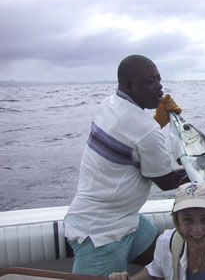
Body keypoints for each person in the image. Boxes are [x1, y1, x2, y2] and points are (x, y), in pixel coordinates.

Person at [64, 55, 190, 277]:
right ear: (128, 85)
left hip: (127, 220)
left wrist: (157, 122)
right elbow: (166, 181)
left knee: (172, 264)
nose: (159, 86)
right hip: (101, 233)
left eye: (159, 79)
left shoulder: (108, 104)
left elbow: (132, 140)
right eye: (149, 81)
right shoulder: (146, 131)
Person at [109, 182, 205, 280]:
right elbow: (155, 273)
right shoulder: (167, 243)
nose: (197, 229)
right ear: (177, 221)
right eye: (188, 219)